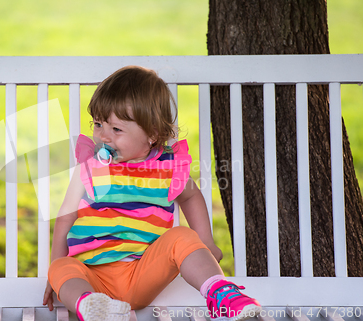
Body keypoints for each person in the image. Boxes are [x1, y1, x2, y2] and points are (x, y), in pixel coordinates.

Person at [42, 66, 261, 321]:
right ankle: (93, 306)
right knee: (61, 266)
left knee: (181, 236)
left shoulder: (166, 168)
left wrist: (206, 242)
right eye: (98, 124)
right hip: (92, 275)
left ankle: (220, 292)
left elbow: (190, 196)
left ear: (152, 134)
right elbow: (66, 215)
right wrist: (55, 275)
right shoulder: (91, 166)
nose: (103, 137)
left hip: (142, 272)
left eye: (116, 130)